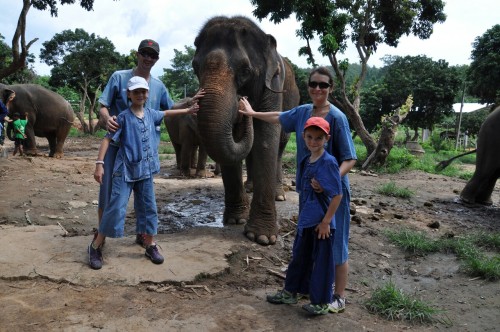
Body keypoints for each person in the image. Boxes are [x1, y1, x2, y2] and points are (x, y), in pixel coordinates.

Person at [239, 66, 357, 313]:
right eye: (313, 84)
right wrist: (252, 113)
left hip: (331, 197)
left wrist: (329, 181)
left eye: (323, 85)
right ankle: (301, 289)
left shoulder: (337, 118)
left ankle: (339, 297)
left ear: (330, 88)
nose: (317, 89)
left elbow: (350, 158)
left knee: (335, 244)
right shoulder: (303, 112)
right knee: (306, 242)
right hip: (308, 195)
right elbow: (280, 117)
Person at [97, 39, 204, 247]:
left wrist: (191, 101)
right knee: (109, 193)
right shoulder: (119, 78)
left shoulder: (158, 86)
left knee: (145, 199)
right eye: (144, 53)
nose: (148, 58)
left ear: (157, 59)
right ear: (137, 54)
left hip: (145, 153)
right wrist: (106, 117)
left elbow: (170, 108)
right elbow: (103, 104)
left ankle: (143, 236)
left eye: (152, 55)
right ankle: (100, 239)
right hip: (116, 149)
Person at [88, 76, 200, 270]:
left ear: (147, 94)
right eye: (136, 92)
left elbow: (167, 113)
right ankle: (95, 246)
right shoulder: (122, 117)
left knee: (149, 208)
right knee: (116, 207)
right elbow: (107, 140)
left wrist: (189, 109)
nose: (140, 94)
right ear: (129, 94)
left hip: (146, 171)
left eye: (143, 91)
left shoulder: (151, 114)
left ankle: (150, 244)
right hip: (125, 171)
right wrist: (100, 164)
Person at [266, 117, 342, 315]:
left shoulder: (328, 162)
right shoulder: (305, 160)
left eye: (318, 138)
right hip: (307, 220)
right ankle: (291, 292)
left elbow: (338, 195)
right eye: (309, 137)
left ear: (327, 138)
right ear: (303, 136)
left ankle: (321, 302)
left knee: (322, 262)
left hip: (322, 224)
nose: (313, 141)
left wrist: (326, 222)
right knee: (300, 257)